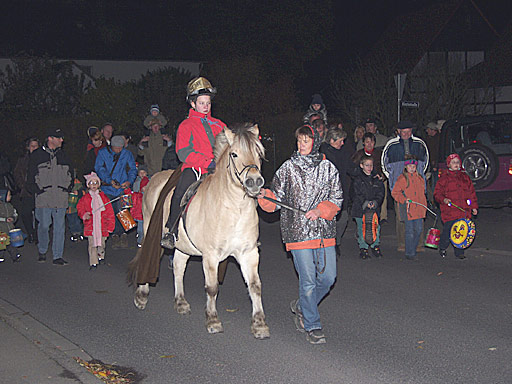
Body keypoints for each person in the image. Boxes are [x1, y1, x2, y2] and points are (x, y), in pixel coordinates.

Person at [258, 125, 342, 345]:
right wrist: (263, 196)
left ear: (315, 142)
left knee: (328, 278)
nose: (302, 145)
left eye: (306, 140)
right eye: (299, 141)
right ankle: (312, 324)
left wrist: (320, 210)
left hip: (324, 231)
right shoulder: (288, 168)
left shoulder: (328, 167)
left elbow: (337, 198)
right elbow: (276, 198)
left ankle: (303, 305)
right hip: (297, 233)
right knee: (308, 281)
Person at [160, 76, 227, 249]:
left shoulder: (219, 124)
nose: (206, 106)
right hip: (195, 167)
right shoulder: (186, 125)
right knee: (181, 189)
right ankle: (171, 230)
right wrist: (207, 163)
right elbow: (183, 152)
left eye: (208, 103)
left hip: (218, 169)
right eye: (202, 103)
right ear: (193, 104)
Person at [27, 128, 73, 265]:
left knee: (60, 227)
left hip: (60, 197)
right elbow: (30, 176)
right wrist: (38, 190)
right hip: (44, 197)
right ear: (50, 138)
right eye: (58, 138)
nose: (61, 140)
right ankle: (42, 250)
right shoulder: (37, 155)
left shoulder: (64, 156)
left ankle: (57, 256)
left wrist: (67, 188)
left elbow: (71, 174)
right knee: (44, 225)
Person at [381, 121, 429, 251]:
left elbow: (425, 162)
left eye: (408, 131)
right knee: (402, 216)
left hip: (416, 188)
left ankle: (418, 244)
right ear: (398, 132)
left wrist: (419, 178)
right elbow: (384, 164)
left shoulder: (419, 144)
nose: (406, 134)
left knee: (418, 215)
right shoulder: (391, 145)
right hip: (399, 187)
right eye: (403, 131)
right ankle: (403, 243)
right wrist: (392, 178)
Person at [94, 135, 137, 249]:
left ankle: (124, 234)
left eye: (120, 147)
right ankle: (114, 235)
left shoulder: (127, 154)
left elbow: (132, 169)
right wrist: (109, 181)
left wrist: (129, 181)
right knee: (111, 212)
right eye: (116, 148)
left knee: (124, 212)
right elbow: (99, 168)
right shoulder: (103, 153)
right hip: (107, 188)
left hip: (123, 189)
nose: (119, 150)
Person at [434, 154, 478, 260]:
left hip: (463, 211)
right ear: (449, 164)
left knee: (461, 232)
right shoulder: (444, 178)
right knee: (448, 231)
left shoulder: (465, 177)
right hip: (450, 211)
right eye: (453, 162)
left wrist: (474, 207)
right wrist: (444, 199)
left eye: (457, 162)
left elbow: (471, 193)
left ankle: (459, 252)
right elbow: (437, 193)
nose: (456, 164)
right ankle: (443, 247)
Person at [319, 127, 352, 249]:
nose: (342, 143)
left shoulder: (343, 153)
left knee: (343, 219)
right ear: (332, 140)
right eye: (340, 141)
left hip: (341, 191)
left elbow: (351, 168)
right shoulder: (322, 154)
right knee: (328, 220)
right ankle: (328, 244)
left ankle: (336, 242)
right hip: (326, 194)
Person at [77, 172, 115, 270]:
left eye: (96, 183)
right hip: (91, 226)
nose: (94, 185)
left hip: (103, 226)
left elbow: (110, 212)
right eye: (91, 183)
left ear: (99, 185)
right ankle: (93, 262)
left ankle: (100, 256)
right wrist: (84, 214)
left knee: (101, 244)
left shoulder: (104, 198)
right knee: (92, 244)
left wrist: (110, 226)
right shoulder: (85, 198)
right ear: (88, 185)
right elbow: (80, 208)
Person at [391, 156, 427, 260]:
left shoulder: (419, 178)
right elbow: (395, 192)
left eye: (414, 166)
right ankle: (410, 252)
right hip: (409, 209)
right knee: (409, 231)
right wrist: (403, 199)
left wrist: (424, 205)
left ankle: (413, 248)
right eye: (410, 166)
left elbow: (422, 193)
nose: (412, 168)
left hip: (419, 209)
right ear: (406, 167)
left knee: (419, 230)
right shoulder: (402, 178)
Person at [350, 156, 385, 259]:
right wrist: (364, 202)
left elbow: (381, 192)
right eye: (367, 165)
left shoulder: (376, 178)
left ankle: (375, 246)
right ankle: (363, 248)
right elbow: (355, 194)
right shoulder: (357, 179)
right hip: (360, 209)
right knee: (362, 228)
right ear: (361, 166)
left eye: (371, 165)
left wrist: (376, 202)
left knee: (375, 227)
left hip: (374, 208)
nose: (369, 167)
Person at [352, 132, 387, 221]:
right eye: (367, 142)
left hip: (377, 181)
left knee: (380, 197)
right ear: (363, 143)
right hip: (362, 182)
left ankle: (380, 219)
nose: (369, 144)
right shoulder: (359, 154)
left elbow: (384, 166)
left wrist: (382, 176)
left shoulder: (379, 153)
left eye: (371, 142)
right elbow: (352, 169)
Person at [13, 137, 40, 243]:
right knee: (25, 213)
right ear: (28, 147)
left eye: (36, 146)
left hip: (38, 191)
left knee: (39, 215)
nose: (34, 148)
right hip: (26, 191)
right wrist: (22, 186)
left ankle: (38, 235)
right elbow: (17, 173)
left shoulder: (41, 158)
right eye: (32, 146)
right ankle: (30, 232)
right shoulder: (23, 159)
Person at [0, 190, 21, 262]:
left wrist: (13, 218)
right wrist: (4, 219)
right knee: (2, 244)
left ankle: (15, 256)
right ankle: (1, 256)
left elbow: (15, 213)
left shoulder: (10, 206)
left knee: (11, 243)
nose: (10, 197)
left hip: (10, 228)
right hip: (2, 230)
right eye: (9, 195)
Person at [423, 121, 442, 206]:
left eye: (428, 129)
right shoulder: (428, 139)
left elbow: (436, 152)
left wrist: (435, 163)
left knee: (435, 182)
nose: (427, 131)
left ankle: (436, 201)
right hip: (430, 164)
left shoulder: (438, 139)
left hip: (436, 165)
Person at [131, 175, 149, 248]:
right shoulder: (138, 196)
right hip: (140, 216)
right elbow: (132, 197)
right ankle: (140, 240)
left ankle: (143, 240)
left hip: (146, 216)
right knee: (140, 229)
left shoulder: (149, 196)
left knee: (145, 229)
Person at [67, 173, 84, 242]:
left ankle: (79, 232)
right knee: (71, 221)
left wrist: (78, 192)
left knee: (76, 220)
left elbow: (83, 191)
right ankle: (74, 233)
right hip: (68, 207)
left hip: (76, 207)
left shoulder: (77, 182)